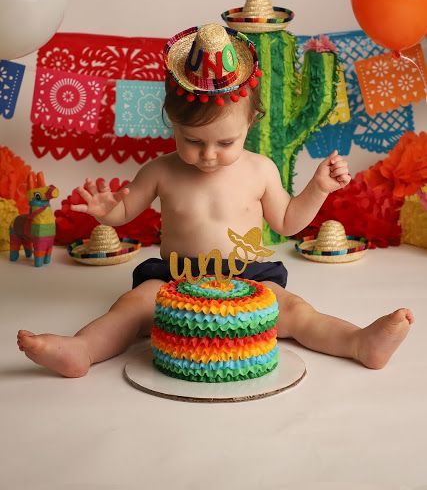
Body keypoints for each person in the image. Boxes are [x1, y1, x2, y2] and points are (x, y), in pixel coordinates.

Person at [17, 24, 413, 377]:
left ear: (251, 123)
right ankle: (82, 349)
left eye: (225, 143)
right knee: (131, 307)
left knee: (294, 312)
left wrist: (318, 189)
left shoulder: (260, 170)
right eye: (192, 141)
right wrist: (110, 212)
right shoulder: (160, 170)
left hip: (247, 277)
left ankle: (360, 342)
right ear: (173, 124)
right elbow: (126, 210)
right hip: (175, 277)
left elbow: (288, 223)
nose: (208, 155)